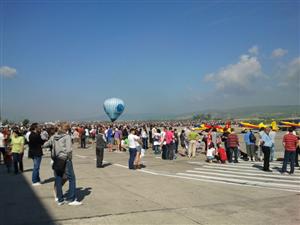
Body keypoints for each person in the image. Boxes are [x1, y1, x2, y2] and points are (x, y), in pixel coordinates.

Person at [43, 123, 82, 206]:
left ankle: (60, 199)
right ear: (67, 129)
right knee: (72, 178)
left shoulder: (54, 136)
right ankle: (71, 199)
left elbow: (46, 144)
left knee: (58, 178)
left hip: (56, 159)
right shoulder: (67, 137)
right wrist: (70, 158)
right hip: (65, 159)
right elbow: (68, 150)